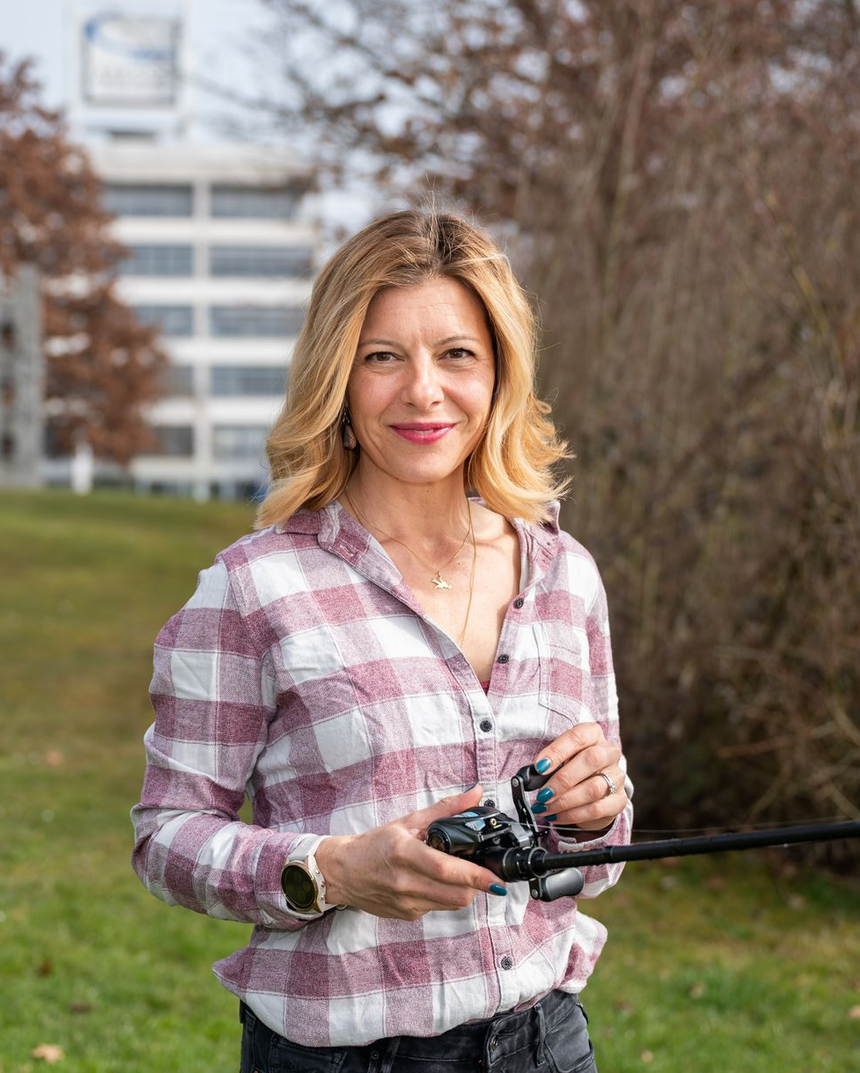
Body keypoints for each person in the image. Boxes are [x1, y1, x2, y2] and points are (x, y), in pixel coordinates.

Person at [130, 209, 633, 1072]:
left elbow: (605, 843)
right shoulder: (255, 587)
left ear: (500, 374)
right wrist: (331, 871)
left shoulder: (565, 575)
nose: (424, 390)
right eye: (383, 356)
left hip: (547, 1043)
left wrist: (596, 813)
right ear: (338, 377)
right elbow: (165, 835)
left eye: (457, 354)